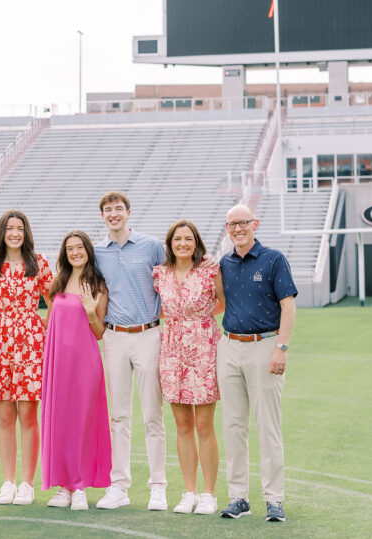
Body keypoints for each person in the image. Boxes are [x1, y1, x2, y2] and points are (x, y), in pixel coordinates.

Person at [217, 204, 296, 523]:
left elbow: (288, 306)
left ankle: (274, 499)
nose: (237, 228)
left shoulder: (274, 259)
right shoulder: (224, 263)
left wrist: (281, 347)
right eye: (231, 224)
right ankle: (238, 497)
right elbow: (218, 303)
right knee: (233, 426)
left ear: (255, 224)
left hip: (264, 346)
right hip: (230, 346)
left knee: (268, 426)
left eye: (243, 223)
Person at [92, 191, 168, 511]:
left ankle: (158, 487)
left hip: (148, 334)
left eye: (118, 209)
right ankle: (119, 486)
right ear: (102, 216)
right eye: (108, 210)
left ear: (128, 212)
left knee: (153, 414)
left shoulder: (151, 247)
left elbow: (169, 284)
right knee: (118, 416)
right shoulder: (97, 252)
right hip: (114, 338)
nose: (114, 214)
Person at [0, 210, 53, 506]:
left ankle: (27, 483)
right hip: (0, 341)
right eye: (9, 228)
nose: (14, 233)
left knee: (28, 416)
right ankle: (8, 482)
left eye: (19, 228)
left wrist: (48, 326)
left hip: (31, 342)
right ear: (2, 232)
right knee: (5, 416)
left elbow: (55, 300)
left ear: (26, 232)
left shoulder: (39, 264)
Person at [152, 220, 225, 515]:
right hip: (171, 350)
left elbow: (223, 301)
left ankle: (209, 494)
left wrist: (201, 319)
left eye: (188, 239)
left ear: (197, 243)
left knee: (204, 425)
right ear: (170, 243)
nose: (183, 243)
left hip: (204, 347)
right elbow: (157, 307)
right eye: (177, 239)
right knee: (182, 425)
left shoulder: (210, 269)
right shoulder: (160, 273)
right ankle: (189, 492)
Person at [40, 230, 111, 511]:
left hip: (85, 363)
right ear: (64, 253)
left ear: (87, 250)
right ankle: (63, 486)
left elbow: (100, 332)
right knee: (60, 423)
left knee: (82, 422)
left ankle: (80, 486)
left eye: (79, 247)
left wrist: (91, 310)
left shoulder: (98, 285)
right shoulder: (57, 284)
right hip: (58, 363)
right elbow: (52, 322)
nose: (75, 252)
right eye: (69, 248)